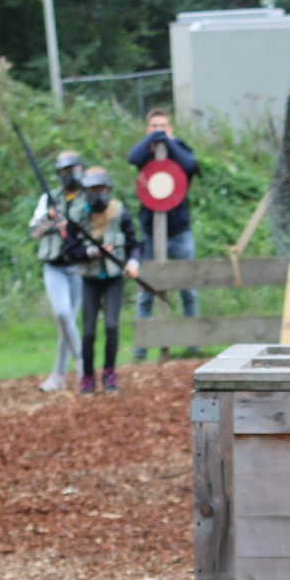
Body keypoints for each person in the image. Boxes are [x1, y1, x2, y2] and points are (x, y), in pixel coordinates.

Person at [125, 108, 200, 358]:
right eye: (154, 126)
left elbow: (191, 165)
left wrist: (168, 141)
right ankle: (141, 348)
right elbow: (131, 157)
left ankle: (193, 344)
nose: (159, 130)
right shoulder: (145, 153)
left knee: (188, 287)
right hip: (150, 231)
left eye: (164, 126)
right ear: (147, 129)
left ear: (172, 128)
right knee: (147, 290)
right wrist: (152, 140)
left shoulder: (180, 149)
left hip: (179, 230)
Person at [72, 166, 140, 395]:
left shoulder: (120, 212)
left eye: (101, 189)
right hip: (90, 279)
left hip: (113, 278)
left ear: (108, 190)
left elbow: (134, 244)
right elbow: (70, 250)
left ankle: (110, 372)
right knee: (89, 331)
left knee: (112, 326)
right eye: (92, 189)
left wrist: (133, 263)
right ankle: (88, 376)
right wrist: (92, 252)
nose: (97, 194)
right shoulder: (78, 216)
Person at [29, 151, 87, 393]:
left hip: (79, 267)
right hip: (54, 267)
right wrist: (51, 219)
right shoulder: (48, 199)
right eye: (63, 172)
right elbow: (34, 231)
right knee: (63, 315)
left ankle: (58, 374)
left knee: (68, 322)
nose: (68, 176)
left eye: (71, 170)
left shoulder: (88, 196)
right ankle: (83, 363)